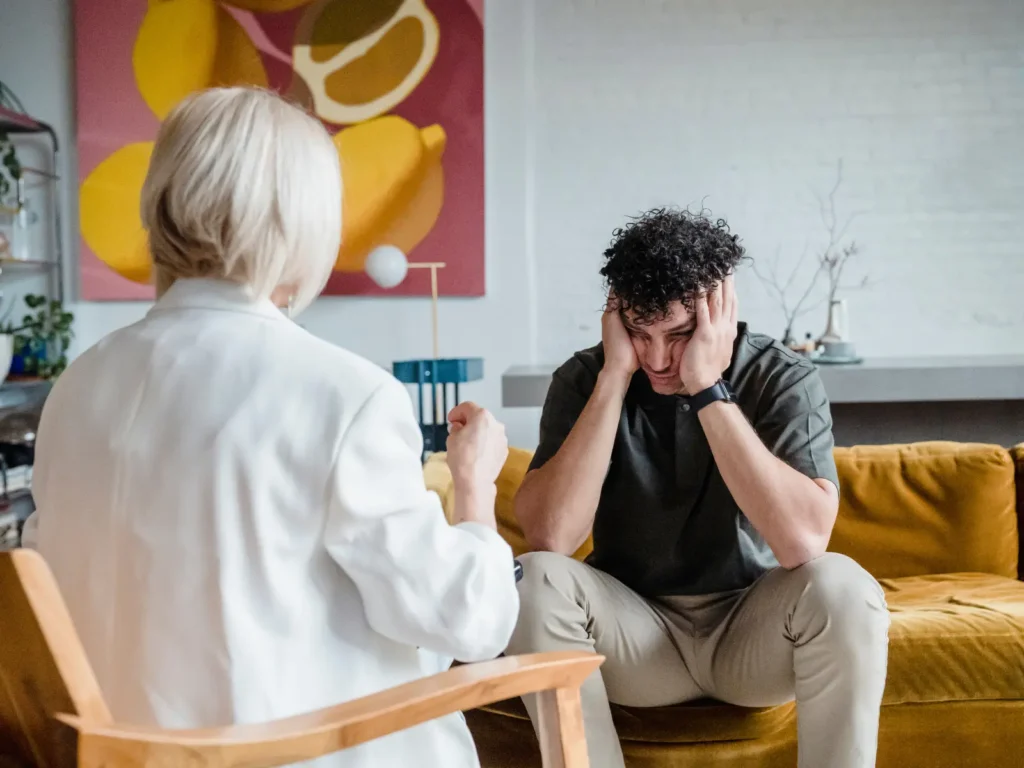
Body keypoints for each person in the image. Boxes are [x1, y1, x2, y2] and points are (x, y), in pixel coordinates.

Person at [23, 87, 518, 768]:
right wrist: (474, 486)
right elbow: (470, 622)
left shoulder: (78, 385)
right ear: (304, 222)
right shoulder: (347, 394)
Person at [507, 209, 889, 768]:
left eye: (679, 335)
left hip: (751, 636)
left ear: (721, 307)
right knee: (531, 579)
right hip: (635, 639)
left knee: (844, 587)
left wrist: (708, 388)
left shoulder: (781, 376)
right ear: (615, 315)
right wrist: (615, 376)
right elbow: (552, 537)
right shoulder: (587, 378)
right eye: (640, 334)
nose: (659, 359)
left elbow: (804, 543)